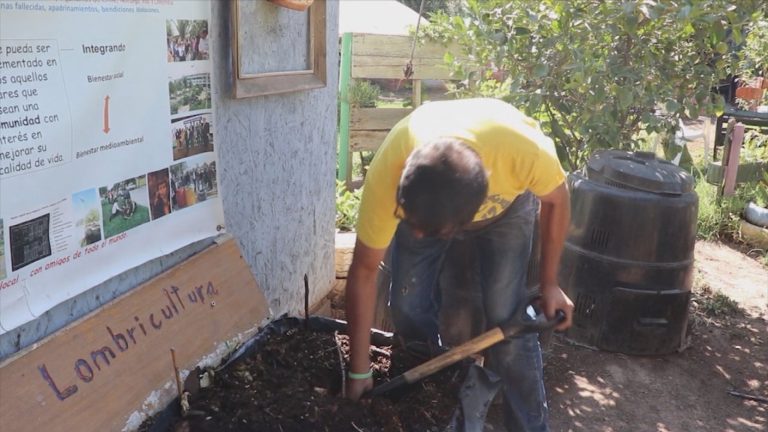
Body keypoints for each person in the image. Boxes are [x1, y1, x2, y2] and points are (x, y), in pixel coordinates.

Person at [344, 98, 574, 431]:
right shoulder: (391, 174)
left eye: (430, 231)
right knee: (407, 305)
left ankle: (529, 426)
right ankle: (429, 395)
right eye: (412, 222)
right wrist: (359, 370)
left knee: (506, 317)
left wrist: (550, 284)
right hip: (433, 204)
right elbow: (363, 272)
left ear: (464, 222)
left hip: (506, 209)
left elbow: (558, 198)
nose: (419, 235)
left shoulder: (522, 152)